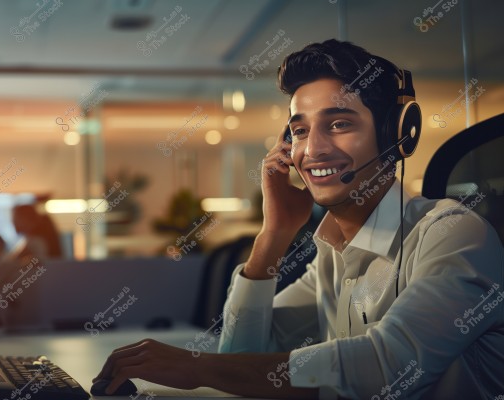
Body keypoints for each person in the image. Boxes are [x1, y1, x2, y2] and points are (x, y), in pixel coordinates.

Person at [93, 40, 504, 399]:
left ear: (396, 134)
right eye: (300, 131)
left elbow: (386, 370)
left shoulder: (453, 233)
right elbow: (241, 360)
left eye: (339, 124)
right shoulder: (330, 256)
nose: (313, 150)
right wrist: (274, 234)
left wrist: (196, 368)